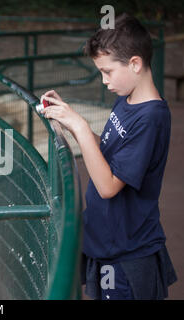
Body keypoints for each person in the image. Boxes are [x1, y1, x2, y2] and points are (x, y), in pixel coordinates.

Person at [39, 13, 177, 300]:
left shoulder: (151, 116)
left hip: (127, 252)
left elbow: (109, 185)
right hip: (106, 241)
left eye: (107, 71)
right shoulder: (125, 99)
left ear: (135, 64)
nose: (104, 81)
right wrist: (73, 123)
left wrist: (79, 124)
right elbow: (111, 151)